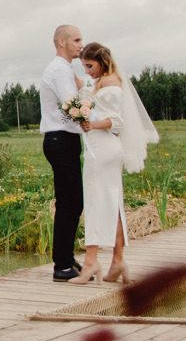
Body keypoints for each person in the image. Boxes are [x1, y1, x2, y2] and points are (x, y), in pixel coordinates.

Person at [68, 41, 161, 284]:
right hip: (105, 148)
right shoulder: (102, 82)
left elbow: (116, 122)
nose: (87, 70)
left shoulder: (109, 84)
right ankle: (118, 260)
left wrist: (91, 124)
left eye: (90, 65)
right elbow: (88, 95)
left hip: (103, 147)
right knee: (113, 202)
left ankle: (90, 262)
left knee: (96, 200)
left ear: (102, 61)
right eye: (84, 66)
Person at [39, 24, 85, 280]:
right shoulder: (59, 70)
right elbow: (73, 106)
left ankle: (66, 259)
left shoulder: (64, 69)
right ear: (61, 42)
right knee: (71, 201)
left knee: (71, 201)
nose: (81, 44)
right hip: (60, 139)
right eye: (76, 40)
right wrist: (100, 123)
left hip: (64, 139)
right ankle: (62, 265)